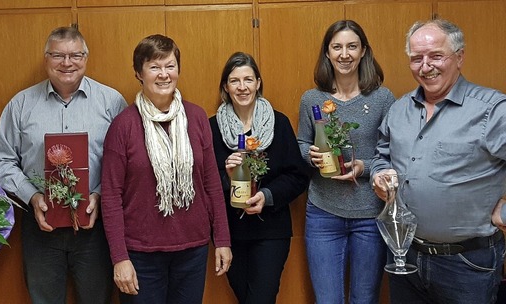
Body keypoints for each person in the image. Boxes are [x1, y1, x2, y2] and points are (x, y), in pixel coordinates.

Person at [371, 19, 506, 304]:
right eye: (416, 58)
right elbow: (381, 155)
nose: (425, 66)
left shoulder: (491, 110)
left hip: (467, 264)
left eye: (436, 56)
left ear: (459, 57)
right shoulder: (399, 110)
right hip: (405, 257)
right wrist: (379, 174)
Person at [0, 27, 127, 304]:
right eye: (58, 55)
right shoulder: (21, 104)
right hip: (40, 225)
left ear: (86, 58)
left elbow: (126, 161)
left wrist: (99, 194)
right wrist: (32, 196)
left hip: (96, 226)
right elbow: (1, 160)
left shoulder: (111, 102)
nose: (67, 63)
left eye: (75, 55)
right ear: (46, 58)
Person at [100, 34, 232, 304]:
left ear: (178, 70)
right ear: (139, 73)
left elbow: (211, 184)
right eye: (154, 67)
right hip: (140, 255)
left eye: (170, 66)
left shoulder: (196, 118)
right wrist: (120, 258)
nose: (163, 74)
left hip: (192, 249)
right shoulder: (123, 126)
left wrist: (222, 239)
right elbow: (111, 195)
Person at [297, 20, 395, 304]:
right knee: (327, 300)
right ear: (327, 53)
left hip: (370, 214)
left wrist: (363, 167)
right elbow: (302, 142)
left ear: (363, 51)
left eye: (352, 46)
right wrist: (311, 156)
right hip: (323, 214)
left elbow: (392, 154)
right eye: (337, 47)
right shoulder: (311, 99)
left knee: (365, 299)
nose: (344, 54)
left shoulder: (382, 98)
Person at [209, 52, 310, 303]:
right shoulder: (210, 128)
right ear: (225, 86)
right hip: (229, 233)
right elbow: (203, 181)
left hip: (271, 231)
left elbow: (298, 176)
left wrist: (267, 196)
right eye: (234, 81)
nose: (242, 87)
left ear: (258, 83)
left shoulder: (279, 123)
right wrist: (228, 177)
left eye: (248, 80)